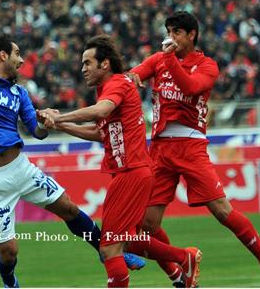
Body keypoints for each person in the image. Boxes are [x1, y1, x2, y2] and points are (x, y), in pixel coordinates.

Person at [0, 0, 144, 288]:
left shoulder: (20, 94)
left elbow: (37, 132)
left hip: (21, 169)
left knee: (70, 209)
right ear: (3, 56)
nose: (22, 59)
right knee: (9, 252)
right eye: (17, 54)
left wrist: (48, 122)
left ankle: (108, 252)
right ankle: (8, 278)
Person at [127, 11, 260, 287]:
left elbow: (189, 88)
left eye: (177, 32)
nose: (171, 37)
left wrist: (167, 59)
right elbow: (134, 74)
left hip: (191, 145)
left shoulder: (207, 65)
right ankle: (179, 276)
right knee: (146, 225)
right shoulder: (159, 60)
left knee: (222, 212)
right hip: (161, 148)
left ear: (192, 35)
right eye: (169, 31)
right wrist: (130, 79)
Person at [42, 35, 202, 288]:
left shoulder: (116, 84)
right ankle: (184, 259)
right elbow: (99, 132)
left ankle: (184, 258)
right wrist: (62, 127)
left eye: (87, 63)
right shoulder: (109, 88)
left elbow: (100, 111)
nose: (82, 68)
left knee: (110, 247)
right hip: (131, 172)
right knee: (124, 240)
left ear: (104, 64)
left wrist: (59, 118)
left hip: (131, 172)